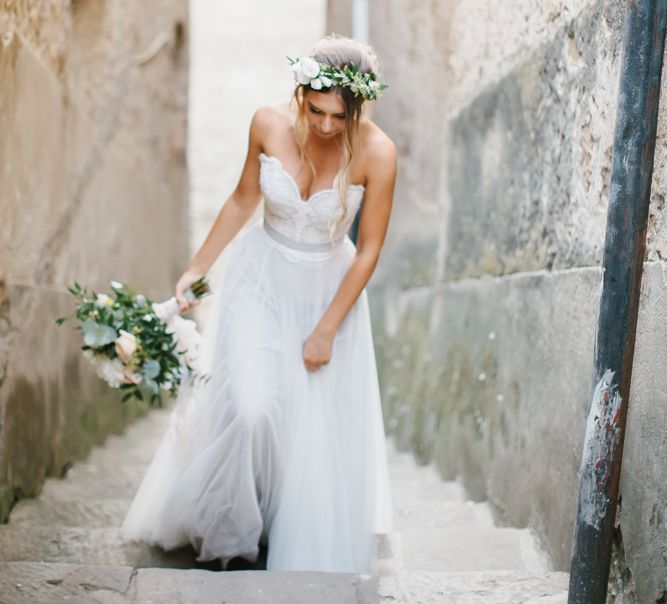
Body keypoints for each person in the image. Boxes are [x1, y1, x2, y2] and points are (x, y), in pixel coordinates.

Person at [121, 33, 397, 573]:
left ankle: (279, 521)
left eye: (337, 117)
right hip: (259, 277)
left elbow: (368, 251)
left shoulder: (378, 152)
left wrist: (326, 328)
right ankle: (231, 529)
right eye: (314, 109)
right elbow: (244, 198)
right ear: (300, 91)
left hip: (326, 290)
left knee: (301, 422)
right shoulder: (267, 122)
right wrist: (197, 268)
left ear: (358, 107)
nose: (323, 126)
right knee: (250, 408)